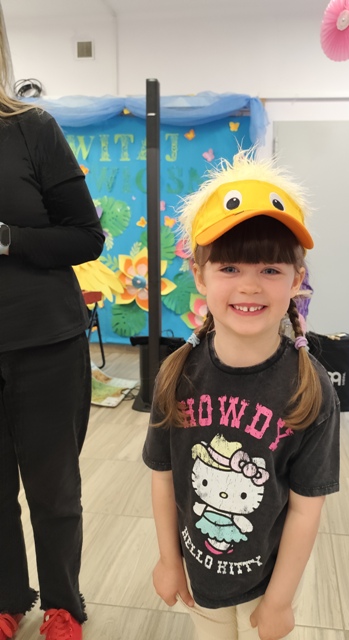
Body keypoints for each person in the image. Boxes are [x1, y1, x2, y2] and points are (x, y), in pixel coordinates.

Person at [142, 149, 340, 640]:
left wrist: (280, 600)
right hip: (198, 574)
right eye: (229, 268)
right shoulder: (175, 373)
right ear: (199, 275)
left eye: (270, 269)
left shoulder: (310, 388)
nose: (249, 286)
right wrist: (168, 560)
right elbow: (164, 476)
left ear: (296, 280)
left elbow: (306, 507)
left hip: (268, 582)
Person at [0, 5, 105, 640]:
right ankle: (7, 599)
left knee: (53, 488)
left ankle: (64, 602)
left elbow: (86, 236)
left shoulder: (31, 128)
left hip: (46, 344)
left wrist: (8, 238)